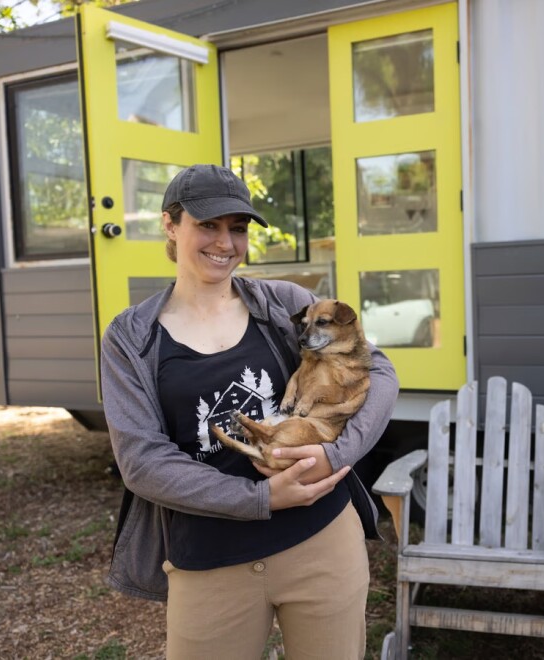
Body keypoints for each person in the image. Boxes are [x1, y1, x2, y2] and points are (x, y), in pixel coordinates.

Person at [100, 164, 399, 659]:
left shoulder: (284, 304)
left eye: (237, 228)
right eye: (208, 225)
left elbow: (381, 374)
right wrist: (261, 497)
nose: (226, 242)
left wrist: (335, 454)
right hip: (211, 561)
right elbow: (142, 461)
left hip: (320, 544)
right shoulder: (132, 338)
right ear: (171, 226)